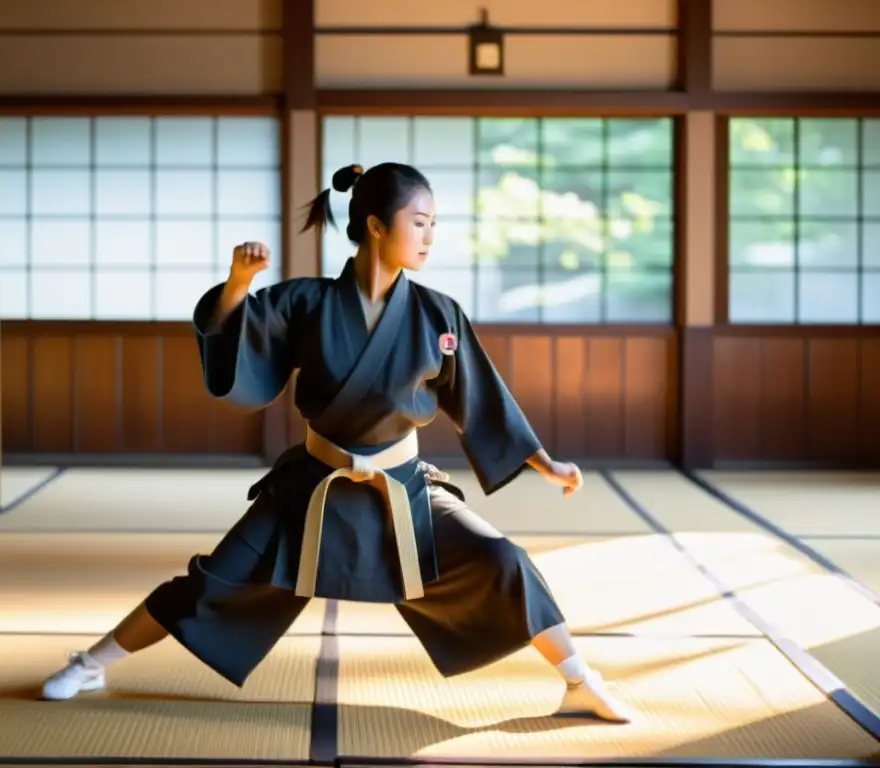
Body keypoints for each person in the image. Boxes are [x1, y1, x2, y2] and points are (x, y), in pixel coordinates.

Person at [39, 162, 634, 723]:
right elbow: (235, 334)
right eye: (419, 223)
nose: (429, 238)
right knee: (208, 583)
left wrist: (545, 463)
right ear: (377, 225)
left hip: (403, 489)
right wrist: (238, 285)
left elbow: (481, 397)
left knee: (504, 560)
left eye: (434, 226)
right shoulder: (305, 303)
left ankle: (581, 682)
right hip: (311, 487)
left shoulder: (438, 314)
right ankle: (89, 665)